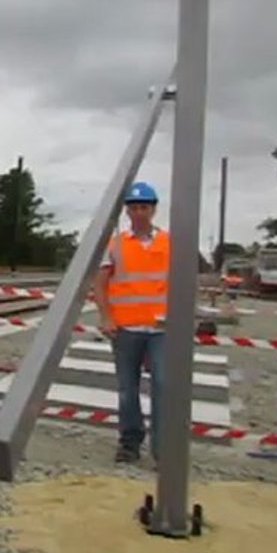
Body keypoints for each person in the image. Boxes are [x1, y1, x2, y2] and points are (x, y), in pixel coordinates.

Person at [94, 181, 169, 464]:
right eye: (134, 207)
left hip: (162, 329)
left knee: (163, 385)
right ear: (128, 211)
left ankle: (162, 448)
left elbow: (184, 282)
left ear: (153, 209)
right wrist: (106, 317)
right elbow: (100, 284)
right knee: (128, 389)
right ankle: (130, 443)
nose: (139, 212)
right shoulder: (115, 245)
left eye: (144, 207)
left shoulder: (169, 243)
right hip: (126, 330)